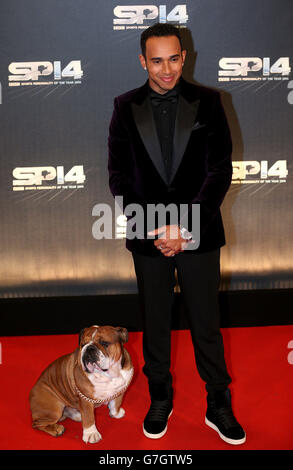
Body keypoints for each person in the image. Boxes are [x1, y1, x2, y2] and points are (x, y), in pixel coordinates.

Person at [108, 23, 246, 445]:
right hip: (148, 235)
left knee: (206, 323)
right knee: (155, 323)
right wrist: (156, 228)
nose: (166, 69)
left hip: (198, 233)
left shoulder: (210, 102)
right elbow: (120, 176)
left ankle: (217, 403)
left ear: (184, 57)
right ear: (142, 60)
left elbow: (219, 170)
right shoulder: (124, 105)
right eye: (156, 60)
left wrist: (184, 226)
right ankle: (160, 397)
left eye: (173, 58)